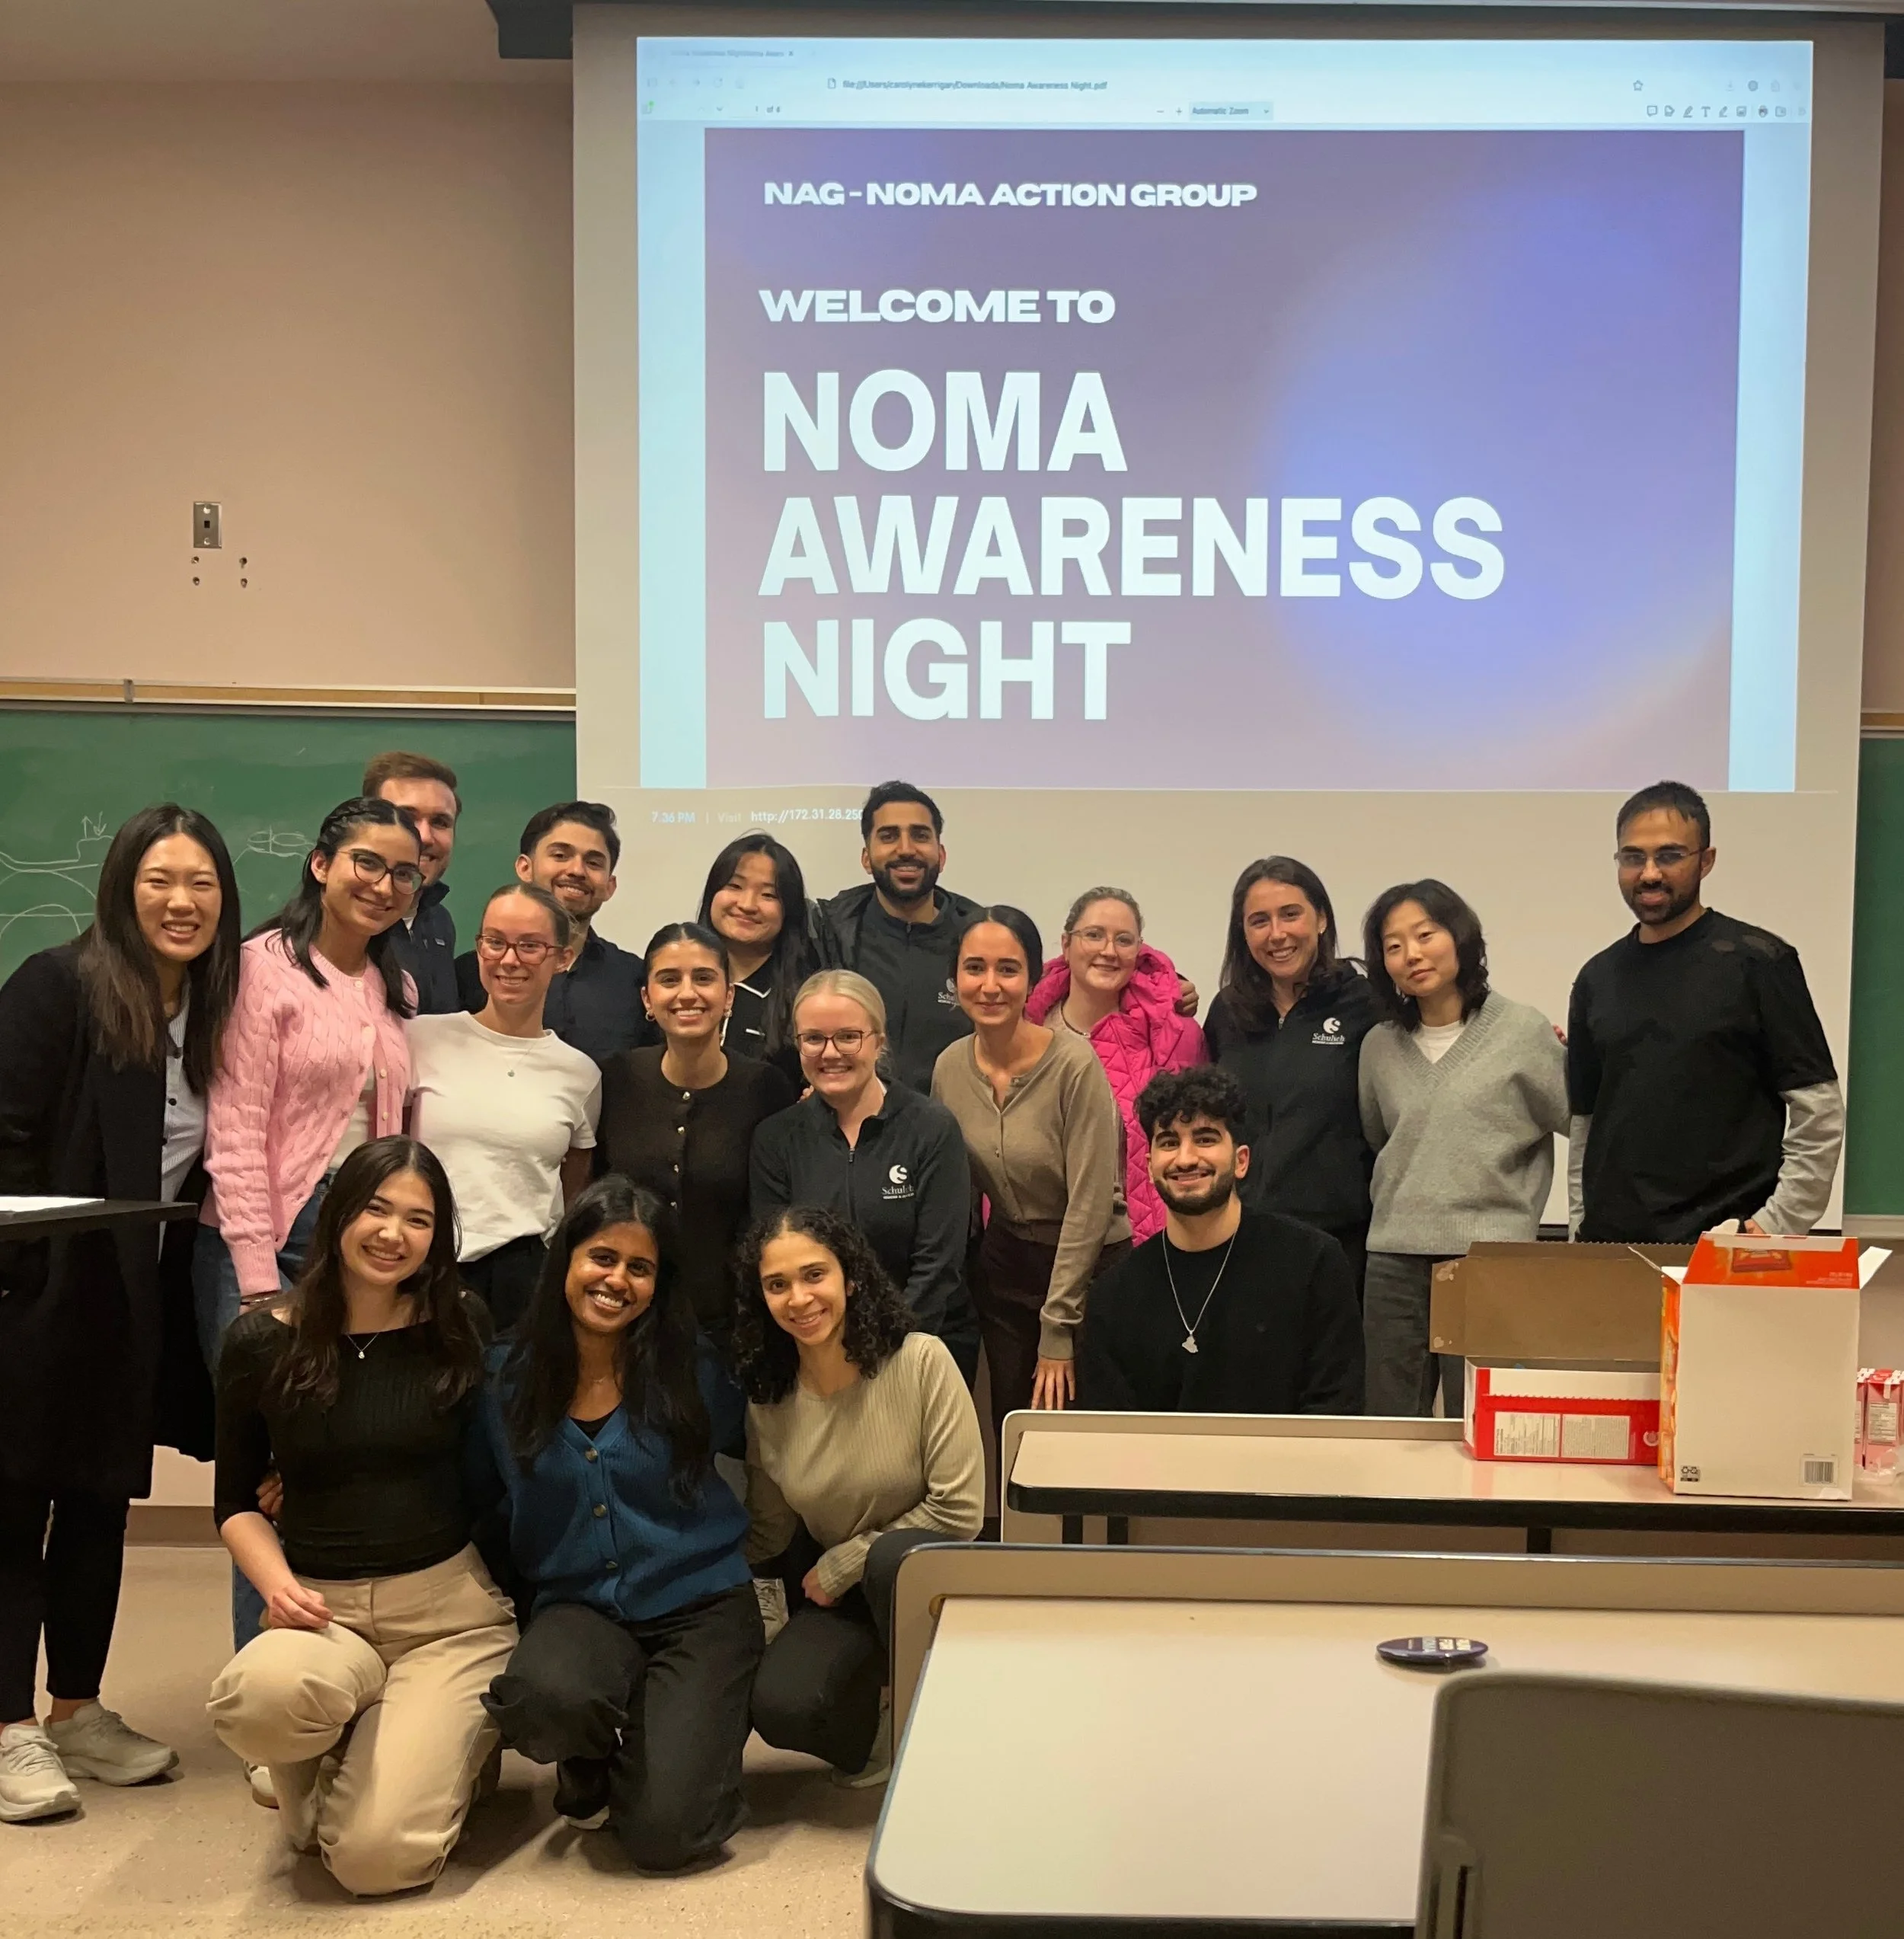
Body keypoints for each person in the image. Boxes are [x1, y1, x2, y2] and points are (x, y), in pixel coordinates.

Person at [0, 807, 241, 1824]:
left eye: (201, 883)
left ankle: (77, 1709)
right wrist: (27, 1281)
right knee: (15, 1510)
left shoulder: (213, 1008)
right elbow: (6, 1135)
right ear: (120, 887)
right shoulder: (57, 984)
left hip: (136, 1300)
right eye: (159, 880)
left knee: (101, 1505)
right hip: (38, 1294)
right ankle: (9, 1727)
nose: (181, 901)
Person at [205, 1139, 514, 1898]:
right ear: (339, 1212)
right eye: (377, 1208)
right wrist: (277, 1588)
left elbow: (491, 1473)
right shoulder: (260, 1340)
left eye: (419, 1219)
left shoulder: (460, 1323)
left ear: (437, 1237)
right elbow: (236, 1502)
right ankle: (359, 1738)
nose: (392, 1233)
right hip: (323, 1613)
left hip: (446, 1620)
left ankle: (435, 1743)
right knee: (254, 1704)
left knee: (372, 1859)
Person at [197, 794, 422, 1691]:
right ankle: (266, 1690)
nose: (384, 884)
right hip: (270, 1242)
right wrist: (257, 1280)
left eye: (404, 873)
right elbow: (235, 1128)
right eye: (367, 862)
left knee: (326, 1465)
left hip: (357, 1245)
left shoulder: (394, 987)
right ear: (323, 863)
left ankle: (337, 1679)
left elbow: (395, 1132)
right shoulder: (262, 970)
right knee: (263, 1476)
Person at [471, 1178, 762, 1867]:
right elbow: (469, 1491)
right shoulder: (504, 1378)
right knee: (541, 1699)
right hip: (578, 1607)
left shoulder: (694, 1369)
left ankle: (671, 1740)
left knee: (667, 1834)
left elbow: (780, 1437)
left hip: (701, 1605)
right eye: (602, 1258)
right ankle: (599, 1749)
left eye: (640, 1268)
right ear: (566, 1260)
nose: (617, 1281)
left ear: (659, 1285)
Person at [736, 1206, 982, 1788]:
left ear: (850, 1278)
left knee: (893, 1560)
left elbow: (961, 1510)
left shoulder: (922, 1360)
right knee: (781, 1705)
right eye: (777, 1285)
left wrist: (850, 1559)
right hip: (844, 1592)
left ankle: (951, 1713)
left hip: (930, 1578)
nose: (799, 1298)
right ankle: (879, 1723)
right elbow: (769, 1530)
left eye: (814, 1275)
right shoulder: (769, 1400)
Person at [1568, 781, 1842, 1242]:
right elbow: (1586, 1123)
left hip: (1726, 1243)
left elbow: (1818, 1109)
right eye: (1633, 857)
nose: (1649, 874)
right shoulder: (1596, 978)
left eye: (1669, 856)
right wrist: (1579, 1226)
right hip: (1610, 1244)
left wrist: (1775, 1226)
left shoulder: (1760, 962)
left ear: (1706, 861)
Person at [1357, 882, 1569, 1416]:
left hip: (1489, 1257)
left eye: (1426, 935)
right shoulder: (1378, 1045)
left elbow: (1578, 1122)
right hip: (1394, 1260)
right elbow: (1381, 1138)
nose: (1412, 954)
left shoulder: (1522, 1030)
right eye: (1394, 946)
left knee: (1480, 1424)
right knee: (1389, 1424)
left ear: (1460, 937)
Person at [931, 906, 1129, 1435]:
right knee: (1016, 1430)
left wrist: (1058, 1327)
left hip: (1091, 1270)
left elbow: (1091, 1203)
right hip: (1007, 1271)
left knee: (1076, 1437)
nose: (990, 986)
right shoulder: (949, 1067)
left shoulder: (1074, 1065)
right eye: (975, 968)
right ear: (955, 977)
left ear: (1033, 978)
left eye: (1008, 969)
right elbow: (956, 1188)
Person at [1076, 1068, 1363, 1414]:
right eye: (1169, 1142)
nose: (1185, 1159)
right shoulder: (1113, 1296)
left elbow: (1335, 1410)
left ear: (1241, 1161)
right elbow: (1111, 1431)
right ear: (1150, 1167)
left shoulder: (1314, 1265)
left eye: (1205, 1139)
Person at [750, 970, 978, 1380]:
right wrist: (829, 1352)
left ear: (879, 1041)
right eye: (814, 1039)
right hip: (817, 1348)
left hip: (923, 1345)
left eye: (848, 1037)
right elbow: (778, 1260)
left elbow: (938, 1265)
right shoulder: (775, 1139)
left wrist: (885, 1351)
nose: (830, 1053)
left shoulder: (931, 1128)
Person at [408, 884, 600, 1331]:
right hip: (421, 1265)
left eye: (530, 946)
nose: (509, 960)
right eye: (495, 942)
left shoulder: (581, 1074)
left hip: (520, 1282)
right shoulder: (420, 1039)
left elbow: (574, 1181)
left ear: (563, 958)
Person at [596, 924, 797, 1340]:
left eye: (703, 978)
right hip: (625, 1317)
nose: (687, 994)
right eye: (669, 980)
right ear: (647, 999)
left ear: (729, 996)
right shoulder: (615, 1079)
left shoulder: (767, 1089)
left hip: (732, 1324)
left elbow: (776, 1216)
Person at [1203, 858, 1380, 1298]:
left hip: (1338, 1247)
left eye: (1290, 914)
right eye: (1259, 921)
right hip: (1237, 1240)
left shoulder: (1366, 1004)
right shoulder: (1228, 1012)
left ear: (1321, 919)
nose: (1277, 934)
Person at [1025, 886, 1207, 1244]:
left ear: (1140, 951)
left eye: (1124, 940)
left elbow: (1200, 1145)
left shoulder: (1177, 1035)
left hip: (1141, 1243)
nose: (1109, 951)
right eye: (1094, 935)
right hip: (1040, 1244)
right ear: (1066, 945)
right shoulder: (1027, 1031)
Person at [814, 781, 984, 1095]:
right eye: (889, 836)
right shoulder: (829, 933)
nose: (906, 849)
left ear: (941, 855)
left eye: (920, 835)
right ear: (866, 858)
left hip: (956, 1121)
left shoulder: (977, 938)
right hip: (852, 1117)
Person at [455, 802, 654, 1069]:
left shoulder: (635, 979)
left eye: (593, 862)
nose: (577, 870)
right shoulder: (472, 974)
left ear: (610, 886)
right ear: (525, 868)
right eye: (560, 855)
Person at [697, 829, 818, 1083]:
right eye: (735, 886)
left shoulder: (806, 999)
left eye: (768, 895)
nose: (747, 905)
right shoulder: (678, 982)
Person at [363, 751, 462, 1015]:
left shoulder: (440, 922)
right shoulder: (341, 926)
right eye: (406, 818)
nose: (425, 836)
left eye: (440, 822)